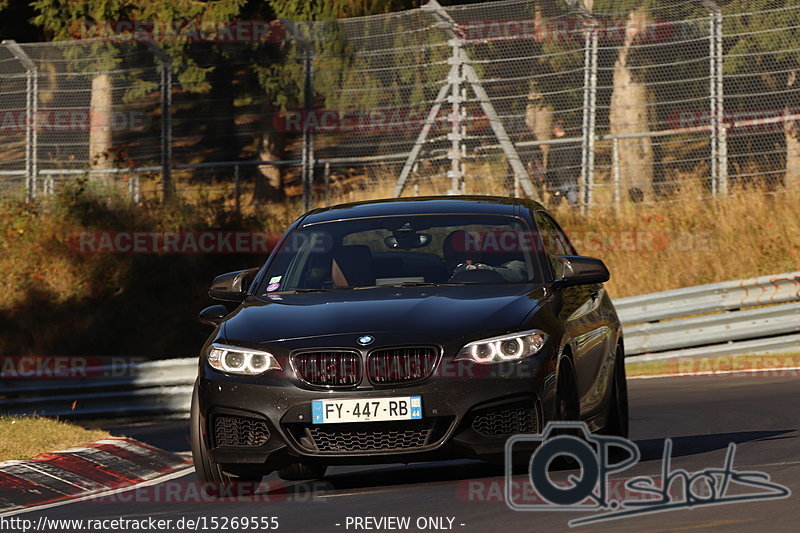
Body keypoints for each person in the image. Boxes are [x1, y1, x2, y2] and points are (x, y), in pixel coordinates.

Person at [442, 230, 529, 283]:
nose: (455, 262)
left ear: (476, 254)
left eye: (460, 255)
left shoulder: (509, 267)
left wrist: (478, 269)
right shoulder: (437, 284)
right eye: (450, 257)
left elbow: (518, 273)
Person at [546, 120, 581, 207]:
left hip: (557, 178)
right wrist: (576, 173)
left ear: (555, 129)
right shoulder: (573, 142)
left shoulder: (554, 144)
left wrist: (548, 178)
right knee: (573, 203)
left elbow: (551, 162)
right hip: (571, 176)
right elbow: (579, 160)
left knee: (553, 205)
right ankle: (577, 218)